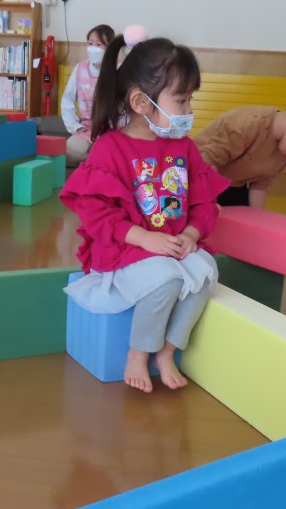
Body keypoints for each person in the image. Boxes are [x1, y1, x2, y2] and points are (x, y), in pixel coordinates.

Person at [60, 30, 230, 394]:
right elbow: (96, 213)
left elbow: (203, 204)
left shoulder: (185, 148)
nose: (189, 111)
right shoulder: (111, 147)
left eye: (190, 100)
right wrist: (143, 237)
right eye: (181, 101)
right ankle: (138, 354)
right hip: (126, 248)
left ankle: (167, 351)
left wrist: (192, 233)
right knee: (166, 280)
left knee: (206, 274)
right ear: (140, 102)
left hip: (172, 245)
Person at [61, 23, 115, 167]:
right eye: (90, 44)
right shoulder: (80, 68)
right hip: (86, 130)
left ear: (110, 48)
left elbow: (125, 107)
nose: (93, 48)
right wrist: (74, 126)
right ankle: (93, 161)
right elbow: (67, 100)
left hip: (111, 131)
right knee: (67, 151)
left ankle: (95, 160)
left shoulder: (118, 71)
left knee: (110, 154)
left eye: (99, 44)